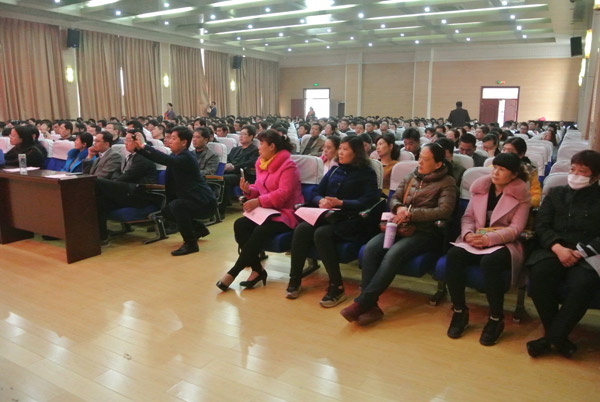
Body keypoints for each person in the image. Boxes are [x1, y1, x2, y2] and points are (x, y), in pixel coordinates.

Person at [340, 143, 457, 326]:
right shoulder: (411, 176)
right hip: (399, 226)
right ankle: (371, 306)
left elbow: (444, 210)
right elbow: (393, 198)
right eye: (420, 158)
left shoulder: (447, 182)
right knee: (371, 248)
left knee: (394, 254)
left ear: (438, 164)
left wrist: (411, 214)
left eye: (425, 160)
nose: (420, 162)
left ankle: (362, 302)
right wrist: (399, 208)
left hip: (426, 232)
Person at [445, 153, 531, 346]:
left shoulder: (521, 195)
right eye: (495, 168)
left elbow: (516, 229)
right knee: (454, 255)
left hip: (504, 243)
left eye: (502, 170)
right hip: (475, 238)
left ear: (514, 175)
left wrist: (488, 239)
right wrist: (468, 235)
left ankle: (495, 318)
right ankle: (459, 310)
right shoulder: (481, 188)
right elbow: (468, 217)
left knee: (490, 262)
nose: (496, 173)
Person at [286, 136, 382, 306]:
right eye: (340, 149)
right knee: (302, 229)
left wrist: (342, 203)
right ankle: (295, 279)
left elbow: (368, 201)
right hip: (329, 216)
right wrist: (320, 200)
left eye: (345, 149)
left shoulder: (367, 173)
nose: (341, 152)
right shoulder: (335, 170)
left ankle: (336, 286)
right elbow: (316, 192)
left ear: (356, 153)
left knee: (322, 233)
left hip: (353, 219)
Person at [526, 150, 600, 359]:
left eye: (582, 172)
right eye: (572, 170)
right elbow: (542, 225)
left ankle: (550, 339)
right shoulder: (556, 193)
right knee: (539, 274)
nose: (575, 175)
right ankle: (558, 339)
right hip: (555, 249)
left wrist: (579, 252)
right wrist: (557, 248)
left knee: (583, 284)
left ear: (596, 176)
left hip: (588, 254)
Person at [216, 130, 304, 291]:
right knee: (240, 224)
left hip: (285, 212)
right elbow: (260, 187)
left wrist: (258, 201)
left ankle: (234, 271)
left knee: (260, 230)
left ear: (272, 146)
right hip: (267, 211)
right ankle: (258, 270)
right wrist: (249, 190)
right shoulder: (262, 163)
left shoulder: (288, 166)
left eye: (261, 144)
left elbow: (284, 194)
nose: (259, 147)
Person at [133, 126, 217, 256]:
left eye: (173, 138)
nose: (169, 141)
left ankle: (190, 244)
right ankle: (198, 229)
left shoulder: (186, 157)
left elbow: (165, 160)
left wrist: (144, 146)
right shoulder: (175, 155)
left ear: (184, 142)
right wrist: (138, 149)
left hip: (204, 202)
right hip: (191, 199)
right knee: (167, 211)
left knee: (177, 206)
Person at [95, 132, 158, 244]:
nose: (125, 143)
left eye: (129, 140)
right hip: (127, 193)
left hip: (139, 195)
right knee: (99, 201)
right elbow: (117, 172)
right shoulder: (128, 156)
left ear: (138, 142)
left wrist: (112, 184)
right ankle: (102, 236)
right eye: (125, 140)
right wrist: (113, 182)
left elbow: (128, 176)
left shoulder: (143, 158)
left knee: (97, 182)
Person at [501, 137, 542, 208]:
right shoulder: (493, 167)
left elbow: (536, 197)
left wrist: (520, 203)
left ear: (521, 155)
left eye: (510, 151)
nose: (505, 153)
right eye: (503, 149)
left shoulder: (530, 171)